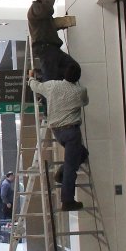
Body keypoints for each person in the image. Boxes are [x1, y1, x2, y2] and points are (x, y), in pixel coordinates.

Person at [28, 62, 90, 211]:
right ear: (78, 77)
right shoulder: (80, 91)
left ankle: (62, 174)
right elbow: (85, 102)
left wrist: (31, 77)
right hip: (72, 132)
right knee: (71, 167)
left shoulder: (53, 86)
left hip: (57, 131)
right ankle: (67, 201)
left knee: (82, 154)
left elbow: (36, 86)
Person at [28, 0, 78, 81]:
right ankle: (46, 83)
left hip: (51, 48)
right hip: (46, 48)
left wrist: (61, 25)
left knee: (72, 68)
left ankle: (48, 79)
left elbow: (45, 28)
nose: (50, 1)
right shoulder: (35, 7)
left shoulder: (39, 12)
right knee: (51, 79)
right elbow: (47, 9)